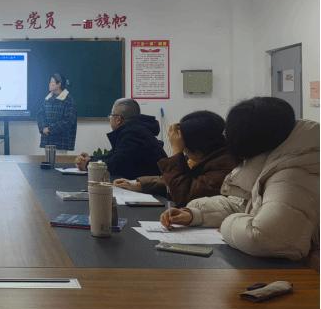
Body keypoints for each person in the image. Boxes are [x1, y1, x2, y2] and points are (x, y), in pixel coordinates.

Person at [161, 97, 319, 271]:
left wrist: (228, 224)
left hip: (307, 275)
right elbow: (241, 204)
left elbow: (263, 238)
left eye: (229, 132)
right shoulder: (271, 161)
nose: (225, 136)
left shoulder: (290, 177)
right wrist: (195, 214)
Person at [114, 110, 236, 207]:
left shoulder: (224, 169)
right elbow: (174, 181)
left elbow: (183, 196)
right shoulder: (210, 158)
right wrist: (139, 185)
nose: (184, 152)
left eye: (183, 147)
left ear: (198, 152)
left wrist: (177, 152)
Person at [75, 98, 166, 179]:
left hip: (154, 190)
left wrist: (88, 164)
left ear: (118, 120)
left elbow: (114, 165)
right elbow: (112, 156)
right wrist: (90, 159)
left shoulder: (133, 133)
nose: (110, 118)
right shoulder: (135, 130)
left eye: (111, 115)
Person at [37, 73, 77, 153]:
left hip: (61, 141)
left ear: (59, 84)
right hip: (47, 140)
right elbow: (40, 115)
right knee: (48, 160)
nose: (49, 84)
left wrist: (50, 129)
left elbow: (69, 120)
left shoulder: (68, 99)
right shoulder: (48, 99)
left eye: (52, 82)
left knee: (59, 161)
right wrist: (43, 128)